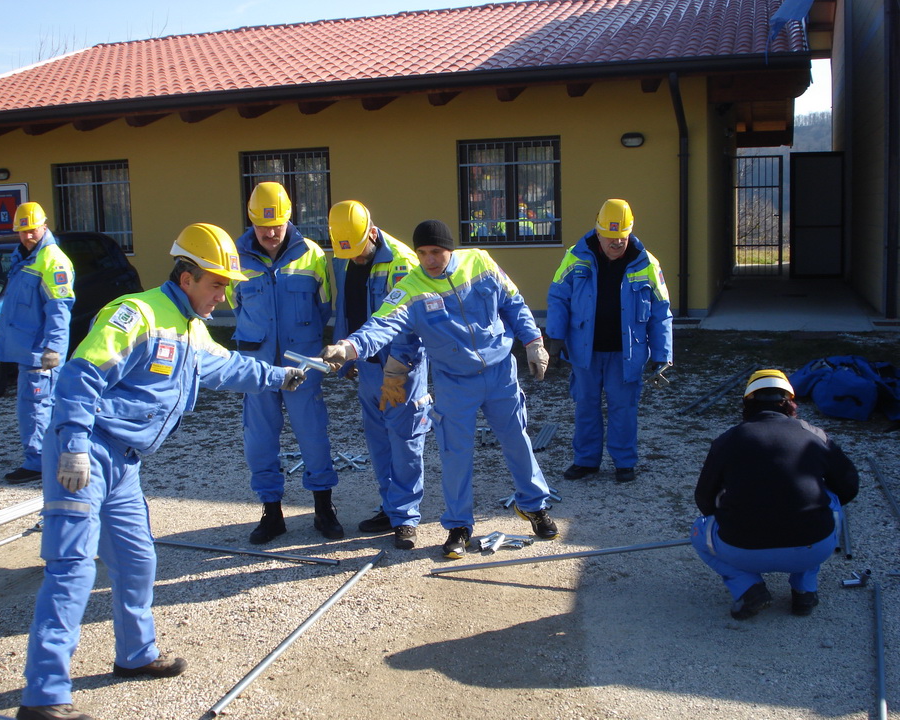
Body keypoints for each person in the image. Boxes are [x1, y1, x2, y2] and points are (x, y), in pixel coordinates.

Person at [17, 223, 305, 720]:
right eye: (216, 285)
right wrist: (72, 445)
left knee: (137, 561)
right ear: (187, 277)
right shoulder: (138, 315)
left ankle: (135, 654)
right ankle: (43, 698)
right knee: (72, 570)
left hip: (124, 463)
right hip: (87, 451)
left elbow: (229, 368)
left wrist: (280, 376)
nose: (222, 296)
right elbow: (82, 374)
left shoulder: (191, 328)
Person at [320, 219, 557, 559]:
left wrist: (533, 342)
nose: (429, 260)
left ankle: (534, 506)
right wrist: (349, 347)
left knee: (517, 442)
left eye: (436, 252)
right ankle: (459, 526)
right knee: (455, 454)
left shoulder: (480, 261)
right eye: (422, 253)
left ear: (450, 249)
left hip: (501, 372)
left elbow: (513, 301)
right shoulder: (411, 287)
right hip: (454, 381)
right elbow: (382, 324)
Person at [690, 369, 859, 620]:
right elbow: (849, 486)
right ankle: (804, 590)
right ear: (790, 403)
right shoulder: (816, 436)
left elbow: (704, 497)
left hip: (742, 548)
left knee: (698, 530)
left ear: (747, 404)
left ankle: (748, 588)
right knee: (829, 502)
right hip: (812, 546)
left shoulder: (727, 440)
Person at [229, 181, 341, 544]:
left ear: (289, 218)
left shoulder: (311, 254)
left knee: (313, 435)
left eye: (276, 225)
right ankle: (272, 513)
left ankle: (323, 509)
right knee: (260, 441)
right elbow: (235, 305)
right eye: (262, 226)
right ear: (251, 220)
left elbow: (323, 306)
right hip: (257, 368)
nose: (270, 233)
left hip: (302, 364)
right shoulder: (235, 258)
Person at [546, 198, 672, 483]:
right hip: (585, 352)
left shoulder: (647, 263)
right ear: (598, 232)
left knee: (623, 409)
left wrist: (662, 354)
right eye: (610, 238)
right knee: (586, 406)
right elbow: (558, 297)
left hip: (626, 353)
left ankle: (624, 463)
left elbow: (661, 312)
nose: (616, 244)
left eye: (622, 238)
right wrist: (555, 337)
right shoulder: (575, 257)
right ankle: (586, 461)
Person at [328, 200, 430, 550]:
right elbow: (346, 308)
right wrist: (345, 359)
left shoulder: (402, 263)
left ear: (372, 233)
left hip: (399, 370)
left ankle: (406, 519)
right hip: (368, 368)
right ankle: (390, 507)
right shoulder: (346, 257)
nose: (355, 259)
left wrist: (397, 370)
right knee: (379, 443)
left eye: (359, 251)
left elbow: (408, 324)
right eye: (348, 254)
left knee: (405, 443)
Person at [0, 201, 75, 484]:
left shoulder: (53, 261)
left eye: (32, 230)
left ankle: (39, 462)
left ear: (44, 226)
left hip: (40, 354)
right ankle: (48, 456)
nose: (27, 236)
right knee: (36, 406)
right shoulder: (24, 258)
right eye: (22, 230)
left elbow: (59, 310)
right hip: (27, 351)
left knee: (36, 407)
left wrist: (53, 349)